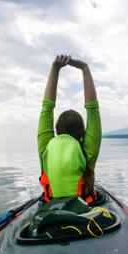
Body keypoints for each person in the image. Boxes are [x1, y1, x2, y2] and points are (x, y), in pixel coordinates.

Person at [37, 54, 102, 204]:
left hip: (50, 207)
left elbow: (47, 107)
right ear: (82, 131)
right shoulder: (87, 150)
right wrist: (84, 69)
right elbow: (93, 109)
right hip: (83, 209)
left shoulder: (46, 147)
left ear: (57, 130)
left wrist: (55, 69)